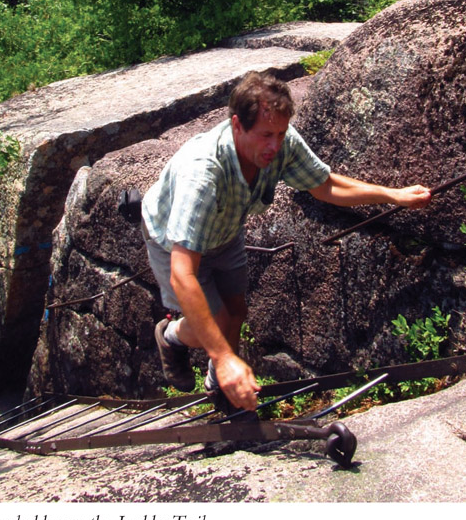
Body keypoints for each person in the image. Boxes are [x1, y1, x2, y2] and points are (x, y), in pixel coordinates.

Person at [141, 70, 431, 412]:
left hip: (225, 226)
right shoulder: (202, 173)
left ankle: (221, 391)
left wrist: (392, 195)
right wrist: (223, 357)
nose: (275, 146)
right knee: (217, 322)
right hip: (173, 238)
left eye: (280, 133)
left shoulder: (281, 142)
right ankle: (173, 338)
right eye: (265, 135)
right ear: (237, 125)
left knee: (236, 313)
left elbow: (324, 186)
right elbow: (182, 273)